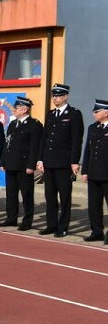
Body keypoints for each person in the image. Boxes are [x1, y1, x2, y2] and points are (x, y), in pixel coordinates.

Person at [37, 84, 84, 237]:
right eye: (53, 96)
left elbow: (77, 140)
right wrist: (40, 159)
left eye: (58, 96)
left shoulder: (74, 114)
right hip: (49, 162)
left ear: (66, 97)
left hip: (64, 163)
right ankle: (51, 224)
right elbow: (44, 138)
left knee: (64, 197)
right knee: (50, 196)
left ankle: (63, 227)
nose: (55, 98)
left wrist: (75, 161)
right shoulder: (51, 114)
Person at [0, 97, 43, 231]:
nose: (14, 110)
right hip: (11, 164)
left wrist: (31, 165)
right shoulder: (13, 124)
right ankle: (11, 218)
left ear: (24, 109)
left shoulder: (34, 125)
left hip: (24, 166)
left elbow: (35, 147)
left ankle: (27, 221)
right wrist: (3, 160)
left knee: (27, 194)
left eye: (16, 108)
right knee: (11, 194)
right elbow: (7, 144)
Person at [81, 99, 108, 244]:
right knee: (94, 205)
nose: (93, 114)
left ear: (106, 112)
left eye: (96, 111)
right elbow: (88, 151)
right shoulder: (93, 128)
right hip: (93, 172)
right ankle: (96, 231)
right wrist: (85, 171)